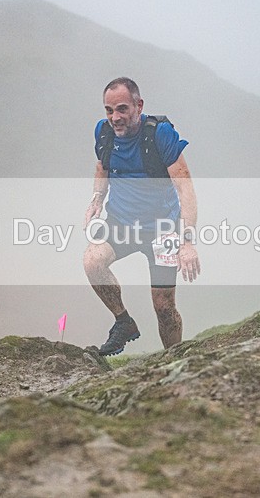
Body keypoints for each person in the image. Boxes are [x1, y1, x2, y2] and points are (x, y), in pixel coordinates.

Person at [83, 77, 200, 356]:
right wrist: (97, 200)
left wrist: (186, 241)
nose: (115, 117)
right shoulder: (104, 132)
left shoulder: (160, 134)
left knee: (164, 306)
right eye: (109, 110)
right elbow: (102, 167)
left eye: (122, 109)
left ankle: (174, 359)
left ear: (139, 105)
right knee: (92, 263)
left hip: (163, 230)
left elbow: (185, 188)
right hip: (121, 223)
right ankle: (124, 322)